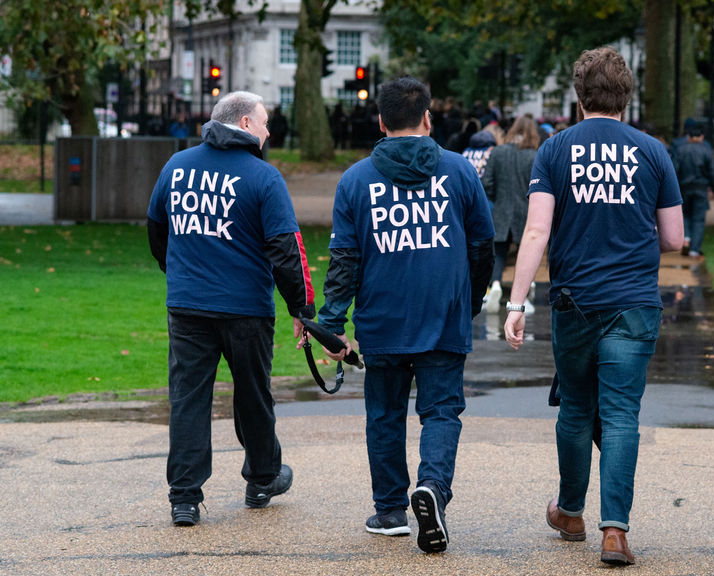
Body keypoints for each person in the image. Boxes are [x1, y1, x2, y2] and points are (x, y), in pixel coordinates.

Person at [503, 46, 683, 566]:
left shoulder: (556, 150)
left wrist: (517, 302)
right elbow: (673, 237)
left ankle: (572, 511)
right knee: (622, 414)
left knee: (578, 409)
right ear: (626, 97)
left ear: (579, 96)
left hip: (574, 300)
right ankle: (615, 531)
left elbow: (536, 230)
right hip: (633, 300)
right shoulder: (652, 152)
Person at [317, 77, 494, 554]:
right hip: (443, 313)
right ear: (428, 118)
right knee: (441, 412)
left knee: (385, 414)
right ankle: (432, 488)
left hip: (383, 317)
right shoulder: (459, 173)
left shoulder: (356, 180)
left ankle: (391, 509)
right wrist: (471, 300)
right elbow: (482, 247)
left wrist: (332, 323)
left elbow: (345, 261)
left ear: (380, 121)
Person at [147, 91, 316, 527]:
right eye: (263, 123)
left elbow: (156, 226)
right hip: (246, 308)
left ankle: (184, 497)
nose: (268, 131)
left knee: (188, 399)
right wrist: (301, 308)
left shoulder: (176, 166)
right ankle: (262, 478)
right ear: (243, 124)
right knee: (253, 396)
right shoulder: (264, 178)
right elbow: (285, 250)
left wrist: (179, 272)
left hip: (187, 306)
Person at [480, 115, 540, 314]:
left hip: (502, 210)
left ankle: (495, 284)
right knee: (527, 252)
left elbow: (486, 183)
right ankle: (526, 289)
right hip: (527, 211)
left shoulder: (497, 152)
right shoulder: (535, 155)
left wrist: (497, 199)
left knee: (498, 252)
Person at [671, 118, 714, 259]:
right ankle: (695, 249)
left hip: (683, 187)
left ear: (688, 137)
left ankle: (686, 238)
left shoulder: (680, 150)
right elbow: (712, 171)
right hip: (701, 188)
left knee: (685, 214)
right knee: (698, 219)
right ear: (702, 137)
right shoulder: (706, 151)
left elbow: (674, 170)